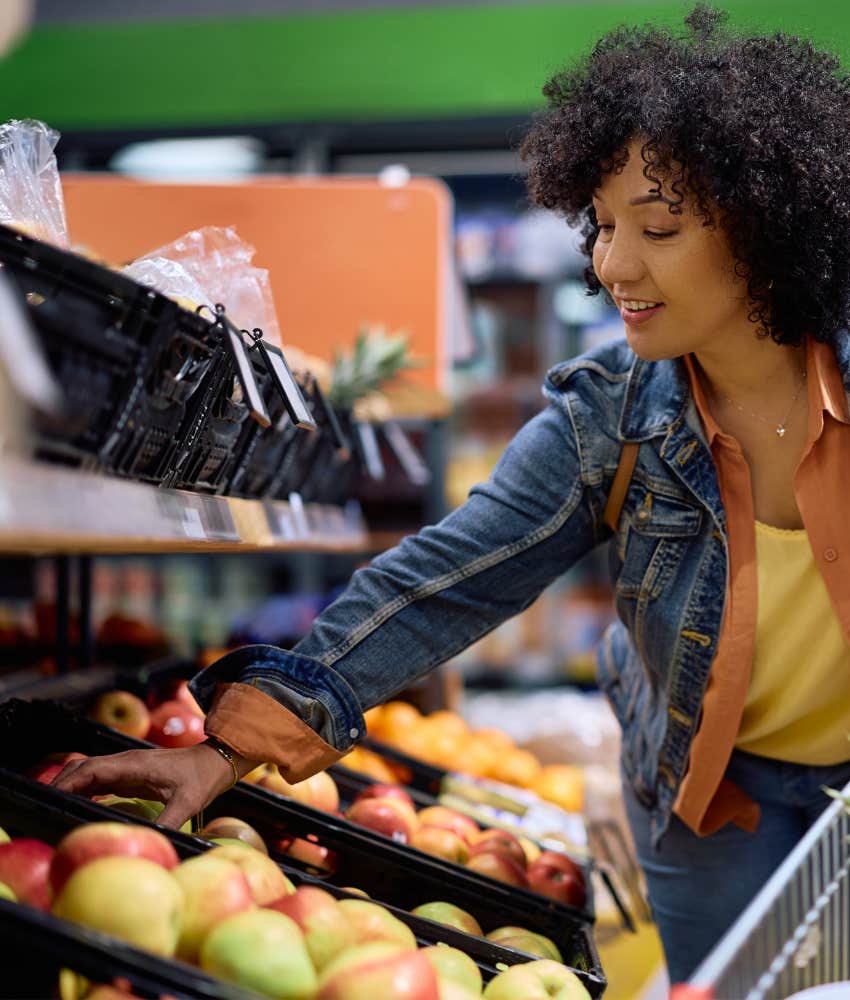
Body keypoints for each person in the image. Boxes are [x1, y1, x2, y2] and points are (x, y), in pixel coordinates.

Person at [54, 4, 850, 984]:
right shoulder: (612, 420)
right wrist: (223, 749)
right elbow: (445, 581)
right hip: (712, 795)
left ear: (766, 229)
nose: (612, 265)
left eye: (657, 228)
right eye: (602, 226)